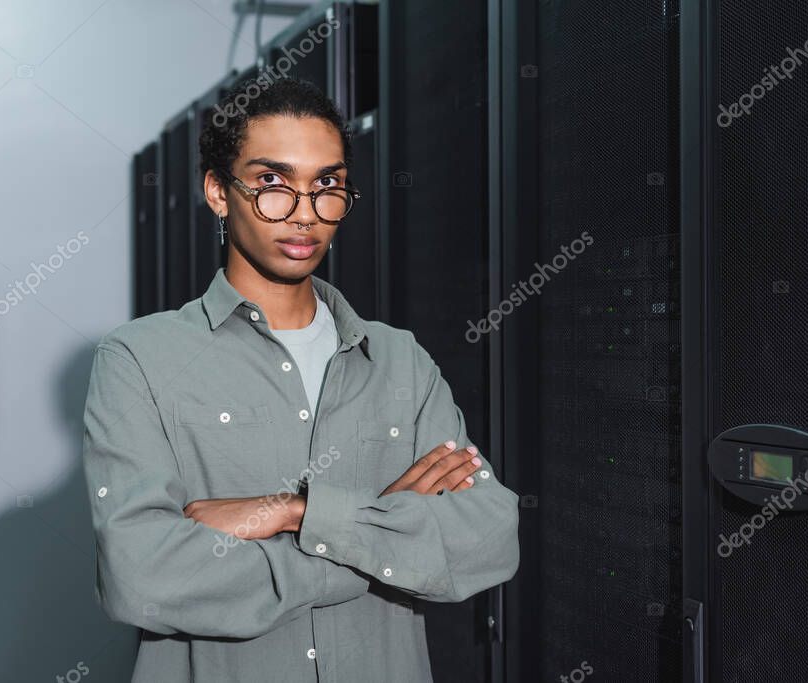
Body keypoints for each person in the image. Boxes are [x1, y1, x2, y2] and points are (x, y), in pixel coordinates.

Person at [81, 75, 520, 682]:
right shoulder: (138, 358)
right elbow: (141, 577)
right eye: (272, 184)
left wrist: (294, 513)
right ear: (217, 192)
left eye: (327, 186)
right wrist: (381, 538)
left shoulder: (401, 360)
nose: (305, 214)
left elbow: (490, 540)